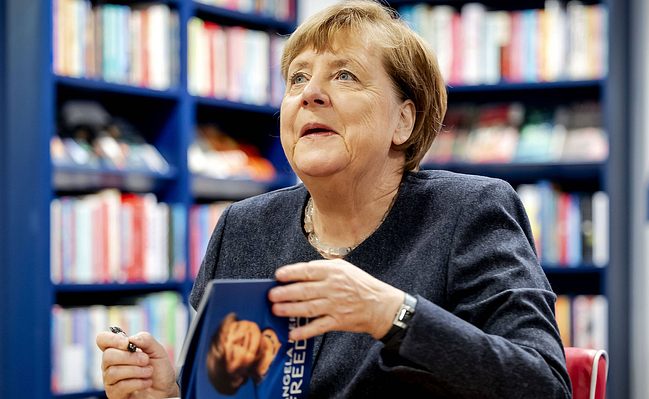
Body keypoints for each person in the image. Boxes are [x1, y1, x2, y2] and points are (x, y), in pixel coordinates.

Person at [96, 1, 573, 397]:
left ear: (403, 121)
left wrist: (392, 313)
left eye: (344, 76)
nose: (311, 94)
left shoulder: (468, 211)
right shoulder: (243, 228)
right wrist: (171, 395)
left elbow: (545, 384)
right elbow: (228, 388)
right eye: (297, 79)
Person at [205, 313, 282, 395]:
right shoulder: (271, 394)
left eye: (236, 328)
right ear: (237, 379)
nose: (241, 337)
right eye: (232, 353)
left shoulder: (276, 311)